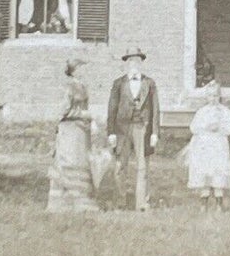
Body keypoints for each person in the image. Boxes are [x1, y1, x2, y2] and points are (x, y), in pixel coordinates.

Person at [106, 47, 161, 212]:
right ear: (126, 63)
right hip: (122, 129)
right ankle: (120, 202)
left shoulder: (149, 83)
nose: (134, 64)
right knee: (120, 166)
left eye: (137, 60)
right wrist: (111, 133)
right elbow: (112, 110)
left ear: (141, 62)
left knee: (142, 166)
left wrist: (155, 132)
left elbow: (156, 109)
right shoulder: (118, 83)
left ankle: (142, 203)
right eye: (130, 60)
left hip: (142, 128)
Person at [47, 66, 99, 213]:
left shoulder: (83, 87)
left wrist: (89, 120)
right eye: (82, 69)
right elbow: (63, 110)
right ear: (74, 71)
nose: (85, 72)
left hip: (82, 131)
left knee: (81, 162)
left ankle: (82, 201)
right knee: (69, 161)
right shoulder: (69, 88)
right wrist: (82, 114)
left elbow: (85, 108)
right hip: (70, 130)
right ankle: (63, 202)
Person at [185, 80, 230, 211]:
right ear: (206, 97)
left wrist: (220, 128)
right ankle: (204, 202)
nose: (213, 99)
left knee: (218, 172)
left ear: (219, 96)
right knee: (205, 172)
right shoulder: (202, 112)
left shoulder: (224, 111)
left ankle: (219, 203)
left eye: (215, 96)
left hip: (218, 145)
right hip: (205, 145)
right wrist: (205, 127)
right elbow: (193, 127)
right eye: (210, 96)